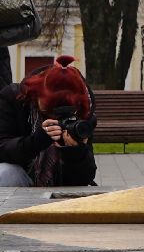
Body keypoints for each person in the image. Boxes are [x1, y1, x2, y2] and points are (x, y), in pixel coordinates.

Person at [0, 55, 97, 187]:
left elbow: (83, 180)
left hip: (62, 185)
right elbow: (3, 149)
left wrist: (77, 153)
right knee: (6, 173)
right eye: (49, 111)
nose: (55, 118)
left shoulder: (83, 114)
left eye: (64, 114)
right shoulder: (14, 99)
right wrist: (36, 141)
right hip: (22, 176)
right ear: (37, 95)